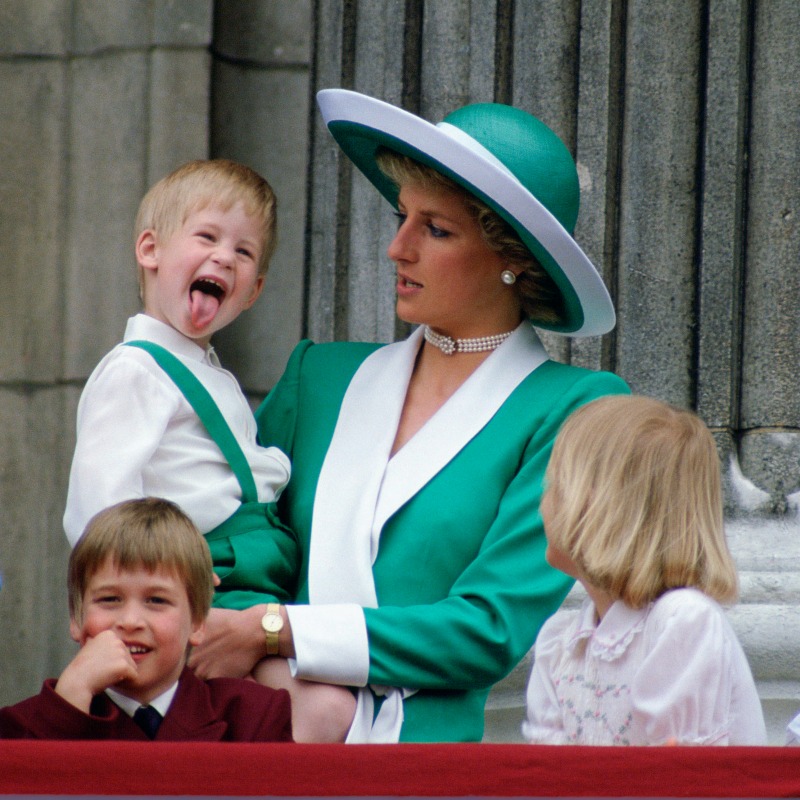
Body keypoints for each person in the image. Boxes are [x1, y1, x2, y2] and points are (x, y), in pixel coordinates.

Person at [188, 88, 629, 743]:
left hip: (426, 766)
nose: (397, 248)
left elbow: (488, 629)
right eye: (402, 216)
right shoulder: (320, 375)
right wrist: (257, 648)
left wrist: (277, 631)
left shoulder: (575, 410)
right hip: (261, 737)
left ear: (514, 258)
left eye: (436, 229)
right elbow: (238, 547)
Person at [61, 159, 355, 742]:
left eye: (245, 254)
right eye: (207, 237)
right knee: (324, 713)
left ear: (255, 291)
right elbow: (97, 510)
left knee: (321, 705)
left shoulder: (208, 371)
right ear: (150, 250)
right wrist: (142, 608)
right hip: (207, 585)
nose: (225, 257)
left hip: (253, 583)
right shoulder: (135, 370)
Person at [522, 395, 767, 746]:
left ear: (596, 505)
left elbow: (678, 781)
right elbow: (547, 778)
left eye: (553, 487)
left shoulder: (682, 621)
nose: (541, 505)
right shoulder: (561, 642)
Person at [0, 498, 293, 741]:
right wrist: (70, 700)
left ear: (198, 623)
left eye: (156, 600)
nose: (130, 621)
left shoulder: (254, 717)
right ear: (76, 617)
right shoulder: (19, 728)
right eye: (109, 599)